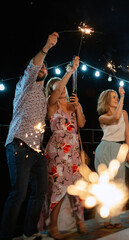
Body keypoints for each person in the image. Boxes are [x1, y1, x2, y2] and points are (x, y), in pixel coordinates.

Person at [0, 32, 58, 240]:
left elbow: (57, 92)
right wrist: (46, 48)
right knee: (18, 194)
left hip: (36, 149)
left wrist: (72, 72)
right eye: (40, 66)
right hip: (18, 146)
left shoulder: (43, 95)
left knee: (40, 192)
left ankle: (29, 232)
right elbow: (34, 66)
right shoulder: (24, 86)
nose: (43, 68)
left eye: (45, 67)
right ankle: (5, 236)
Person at [39, 56, 87, 238]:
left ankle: (80, 221)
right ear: (51, 90)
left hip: (73, 150)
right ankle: (53, 226)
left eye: (63, 87)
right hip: (58, 150)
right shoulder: (51, 105)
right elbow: (57, 89)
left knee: (78, 188)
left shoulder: (72, 104)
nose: (61, 89)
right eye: (57, 87)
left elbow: (81, 124)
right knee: (58, 189)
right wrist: (71, 71)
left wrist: (78, 107)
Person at [94, 87, 129, 229]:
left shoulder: (124, 113)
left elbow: (127, 133)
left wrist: (128, 151)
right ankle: (105, 217)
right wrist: (123, 97)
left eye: (117, 96)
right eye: (114, 97)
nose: (116, 98)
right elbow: (115, 118)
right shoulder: (102, 117)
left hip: (119, 149)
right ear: (106, 101)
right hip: (105, 148)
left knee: (119, 184)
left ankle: (115, 218)